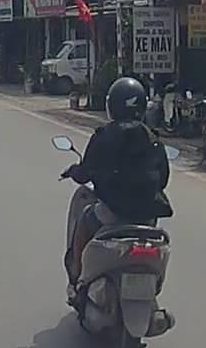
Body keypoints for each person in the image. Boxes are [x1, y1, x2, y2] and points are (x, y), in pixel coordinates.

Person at [64, 77, 174, 287]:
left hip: (112, 214)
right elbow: (163, 179)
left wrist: (74, 171)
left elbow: (85, 172)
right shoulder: (153, 139)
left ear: (112, 106)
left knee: (84, 219)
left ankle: (76, 275)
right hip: (148, 218)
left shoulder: (104, 135)